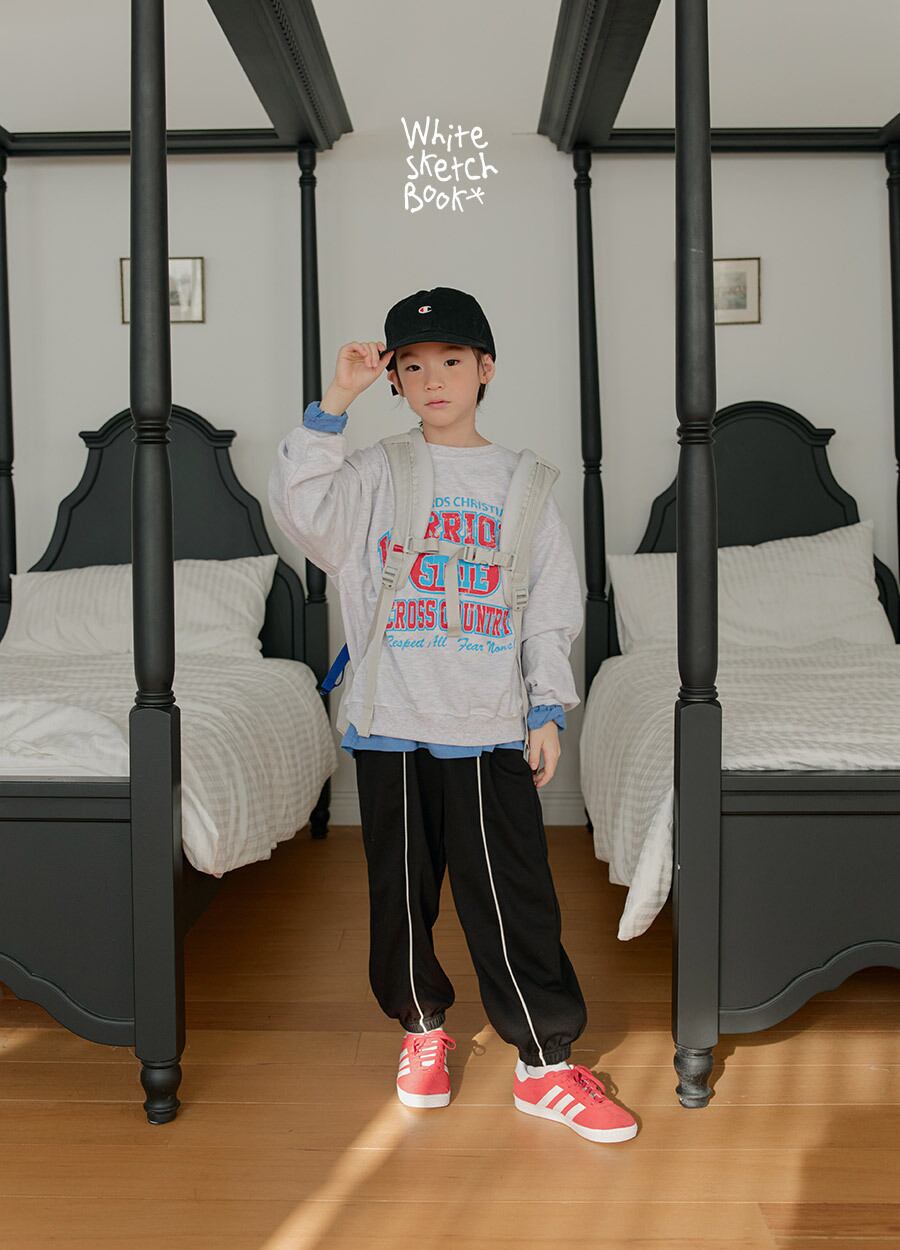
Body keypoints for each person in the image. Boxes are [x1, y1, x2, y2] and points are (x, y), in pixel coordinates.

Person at [268, 287, 637, 1144]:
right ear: (395, 379)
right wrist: (336, 402)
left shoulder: (526, 483)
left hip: (487, 719)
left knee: (512, 897)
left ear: (485, 369)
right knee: (400, 893)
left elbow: (550, 607)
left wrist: (545, 707)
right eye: (413, 365)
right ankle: (422, 1031)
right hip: (391, 716)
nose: (433, 379)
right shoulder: (374, 471)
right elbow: (302, 512)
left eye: (451, 361)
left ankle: (545, 1064)